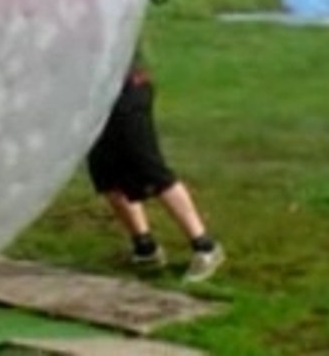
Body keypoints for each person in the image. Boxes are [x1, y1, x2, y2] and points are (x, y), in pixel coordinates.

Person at [87, 48, 226, 283]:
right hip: (95, 96)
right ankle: (145, 248)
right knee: (106, 174)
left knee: (150, 170)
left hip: (127, 90)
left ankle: (205, 246)